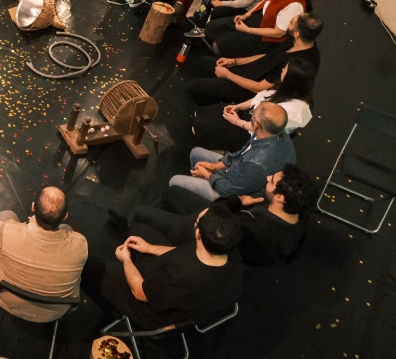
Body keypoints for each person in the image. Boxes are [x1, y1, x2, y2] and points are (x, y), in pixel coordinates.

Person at [84, 205, 242, 331]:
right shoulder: (228, 254)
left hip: (150, 307)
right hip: (165, 281)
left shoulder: (181, 277)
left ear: (199, 235)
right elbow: (183, 252)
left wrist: (126, 260)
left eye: (196, 221)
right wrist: (148, 248)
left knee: (90, 267)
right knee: (139, 229)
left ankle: (111, 309)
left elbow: (140, 292)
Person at [137, 164, 316, 268]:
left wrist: (235, 200)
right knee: (173, 193)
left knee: (142, 213)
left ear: (279, 197)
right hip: (226, 227)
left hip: (207, 231)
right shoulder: (299, 216)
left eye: (271, 181)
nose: (268, 177)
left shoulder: (252, 228)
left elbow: (213, 216)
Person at [0, 187, 88, 323]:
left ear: (33, 207)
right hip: (54, 312)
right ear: (65, 216)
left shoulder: (6, 231)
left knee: (4, 216)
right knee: (67, 229)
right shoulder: (80, 244)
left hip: (6, 299)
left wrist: (29, 226)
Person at [185, 12, 322, 106]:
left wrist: (228, 75)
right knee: (203, 63)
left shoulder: (297, 64)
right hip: (246, 72)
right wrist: (235, 61)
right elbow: (268, 56)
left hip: (249, 90)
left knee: (191, 88)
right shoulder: (296, 41)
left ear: (297, 33)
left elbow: (259, 88)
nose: (288, 22)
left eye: (291, 22)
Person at [170, 102, 295, 201]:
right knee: (196, 152)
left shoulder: (256, 163)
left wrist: (207, 175)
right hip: (240, 174)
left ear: (256, 124)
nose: (251, 114)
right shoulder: (275, 134)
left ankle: (198, 202)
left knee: (174, 181)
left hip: (235, 193)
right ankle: (198, 186)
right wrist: (216, 166)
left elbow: (232, 189)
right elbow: (242, 153)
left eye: (253, 113)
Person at [192, 58, 315, 151]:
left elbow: (264, 130)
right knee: (201, 113)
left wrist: (237, 122)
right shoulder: (285, 89)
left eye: (285, 70)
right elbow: (259, 98)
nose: (282, 70)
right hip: (251, 116)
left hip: (252, 134)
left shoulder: (292, 111)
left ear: (291, 79)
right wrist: (238, 106)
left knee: (199, 127)